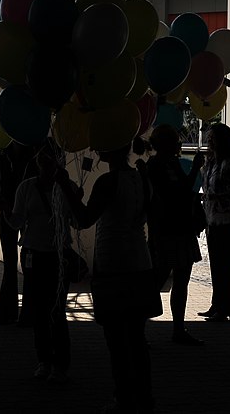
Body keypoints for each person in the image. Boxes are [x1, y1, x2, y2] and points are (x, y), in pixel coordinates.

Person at [56, 143, 160, 413]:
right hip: (140, 263)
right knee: (137, 339)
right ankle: (145, 397)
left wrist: (64, 183)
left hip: (113, 265)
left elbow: (83, 219)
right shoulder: (140, 178)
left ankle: (123, 398)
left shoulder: (108, 181)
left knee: (116, 339)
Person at [7, 142, 71, 383]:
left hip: (55, 254)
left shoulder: (61, 187)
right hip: (37, 253)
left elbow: (15, 223)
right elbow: (16, 221)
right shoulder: (28, 188)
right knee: (43, 310)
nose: (44, 161)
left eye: (49, 156)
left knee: (54, 310)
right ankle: (48, 360)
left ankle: (54, 362)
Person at [146, 124, 205, 344]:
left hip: (178, 227)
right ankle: (144, 329)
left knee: (180, 279)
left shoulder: (166, 163)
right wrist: (194, 170)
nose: (178, 145)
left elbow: (183, 188)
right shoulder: (156, 166)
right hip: (167, 229)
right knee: (159, 279)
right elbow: (176, 192)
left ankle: (178, 329)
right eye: (173, 141)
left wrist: (194, 170)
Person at [198, 123, 230, 322]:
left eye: (213, 138)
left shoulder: (228, 164)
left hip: (225, 220)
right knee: (217, 264)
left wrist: (212, 196)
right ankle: (217, 305)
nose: (210, 142)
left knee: (226, 264)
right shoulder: (212, 163)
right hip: (212, 220)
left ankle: (225, 307)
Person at [0, 142, 37, 324]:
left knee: (17, 263)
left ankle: (9, 312)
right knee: (19, 263)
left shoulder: (5, 154)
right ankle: (23, 312)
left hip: (16, 211)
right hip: (13, 210)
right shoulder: (29, 153)